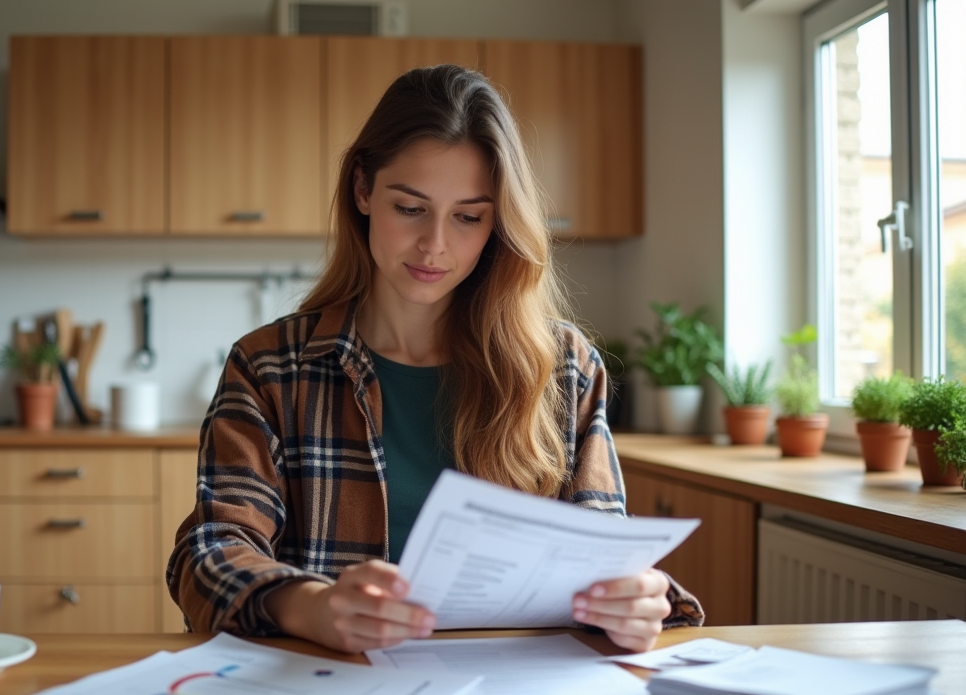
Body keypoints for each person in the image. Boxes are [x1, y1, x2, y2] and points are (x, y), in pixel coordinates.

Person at [167, 64, 703, 654]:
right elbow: (210, 551)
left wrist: (634, 599)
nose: (435, 245)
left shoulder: (565, 369)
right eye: (410, 208)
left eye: (468, 217)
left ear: (498, 223)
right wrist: (312, 606)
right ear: (364, 190)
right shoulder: (269, 368)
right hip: (330, 686)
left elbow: (605, 552)